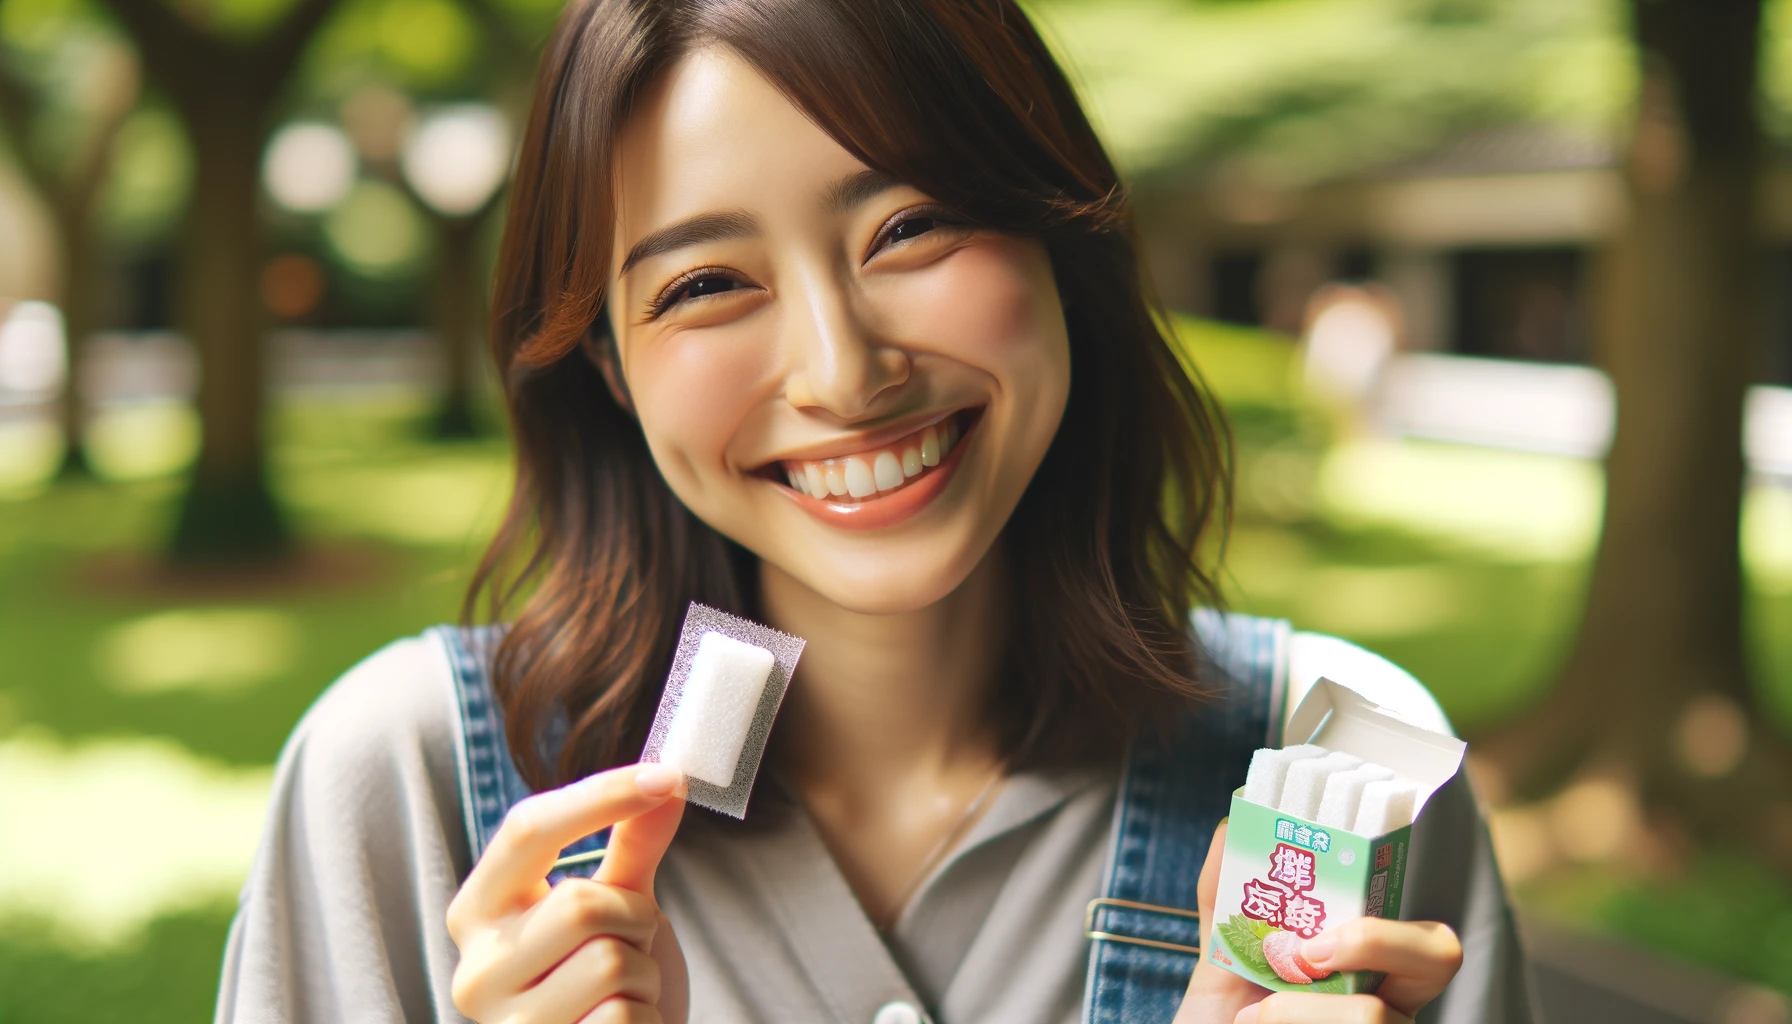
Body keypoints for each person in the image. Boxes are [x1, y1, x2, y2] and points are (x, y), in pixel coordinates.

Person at [215, 2, 1536, 1022]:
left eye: (910, 227)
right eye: (705, 285)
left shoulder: (1348, 781)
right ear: (609, 369)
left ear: (1061, 246)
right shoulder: (402, 789)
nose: (844, 374)